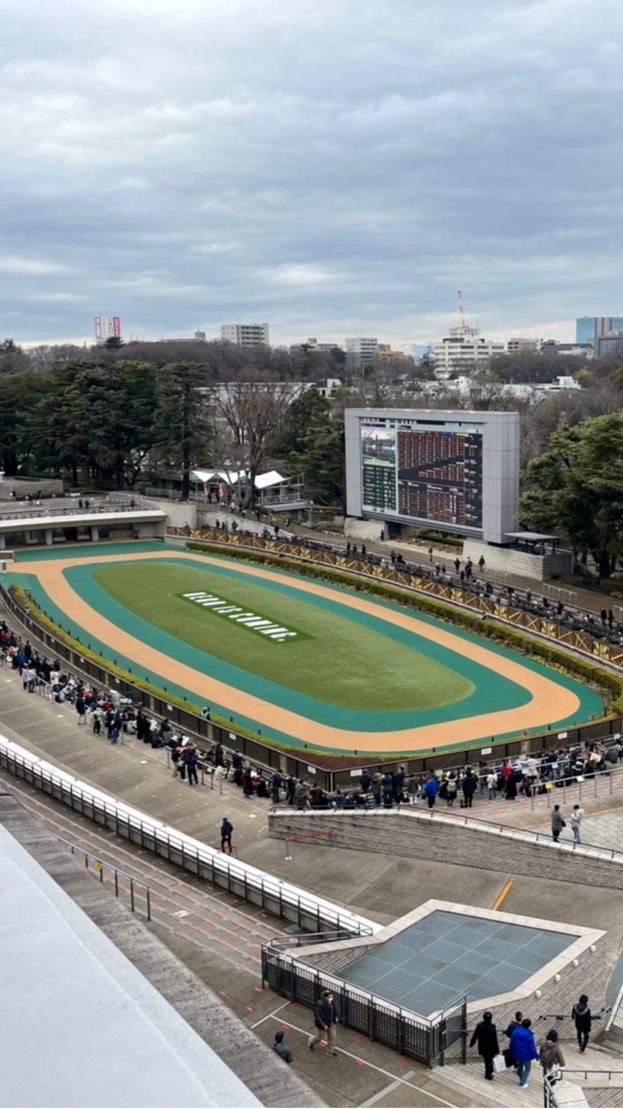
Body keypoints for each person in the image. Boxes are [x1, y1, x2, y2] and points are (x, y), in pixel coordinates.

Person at [509, 1017, 539, 1088]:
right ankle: (522, 1082)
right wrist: (536, 1056)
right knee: (527, 1068)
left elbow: (511, 1043)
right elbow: (532, 1048)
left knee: (520, 1065)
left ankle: (520, 1073)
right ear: (529, 1025)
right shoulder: (530, 1036)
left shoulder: (515, 1032)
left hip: (517, 1053)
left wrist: (513, 1050)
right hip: (526, 1056)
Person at [469, 1011, 499, 1081]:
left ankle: (488, 1072)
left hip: (482, 1046)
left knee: (486, 1060)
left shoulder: (480, 1026)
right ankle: (488, 1074)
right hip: (491, 1048)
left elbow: (475, 1035)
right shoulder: (492, 1028)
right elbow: (495, 1040)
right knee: (489, 1060)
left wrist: (471, 1043)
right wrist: (497, 1050)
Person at [308, 990, 338, 1056]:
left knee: (332, 1037)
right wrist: (323, 1025)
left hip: (331, 1023)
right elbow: (317, 1015)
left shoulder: (332, 1002)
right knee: (320, 1037)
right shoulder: (320, 1003)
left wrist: (334, 1018)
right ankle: (311, 1041)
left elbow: (333, 1010)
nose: (332, 997)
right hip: (323, 1024)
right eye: (330, 996)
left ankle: (330, 1051)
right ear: (325, 997)